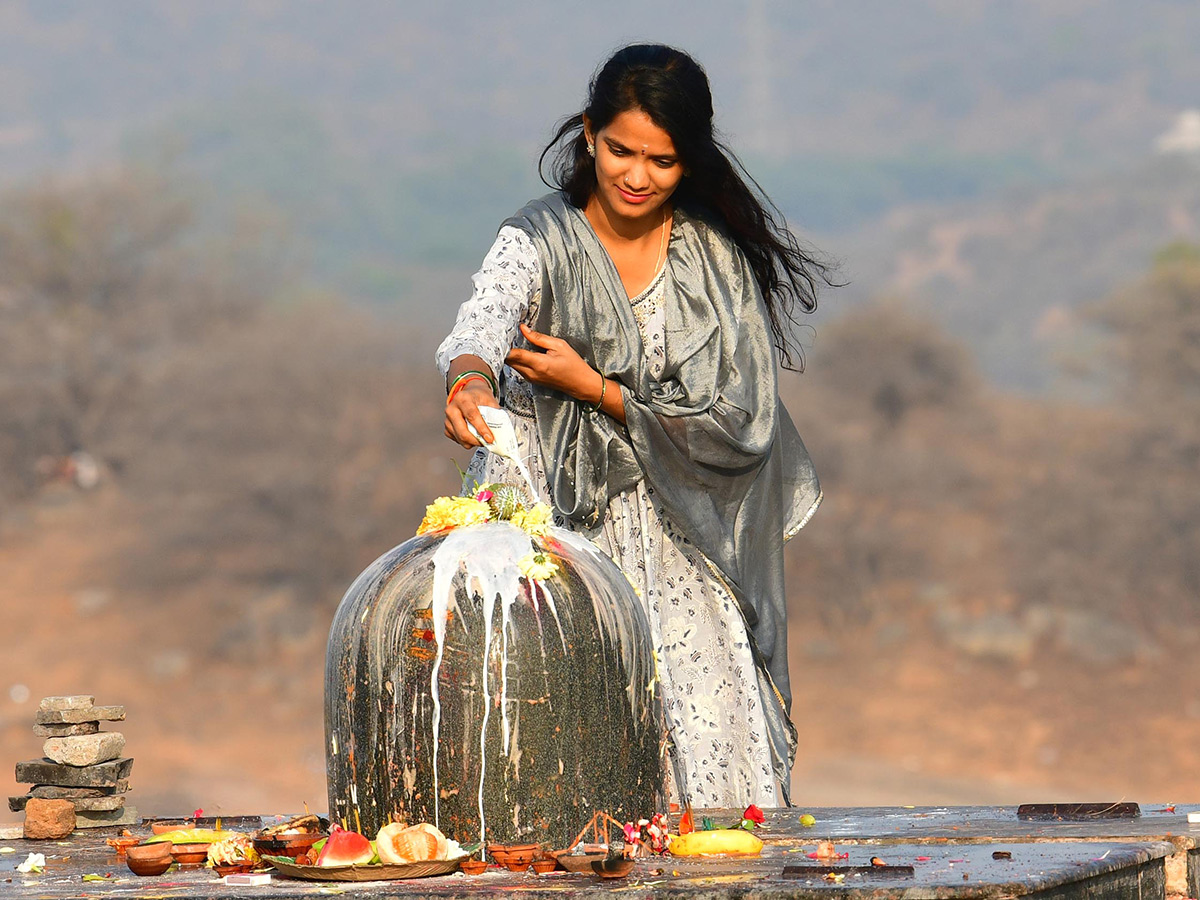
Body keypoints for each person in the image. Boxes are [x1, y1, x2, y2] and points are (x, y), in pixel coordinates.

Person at [436, 43, 827, 808]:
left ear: (690, 163)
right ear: (589, 133)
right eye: (621, 150)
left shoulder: (711, 258)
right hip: (564, 543)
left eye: (663, 160)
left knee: (710, 769)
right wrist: (469, 377)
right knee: (565, 765)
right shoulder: (539, 238)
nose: (637, 176)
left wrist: (600, 390)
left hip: (683, 538)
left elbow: (739, 422)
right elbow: (481, 318)